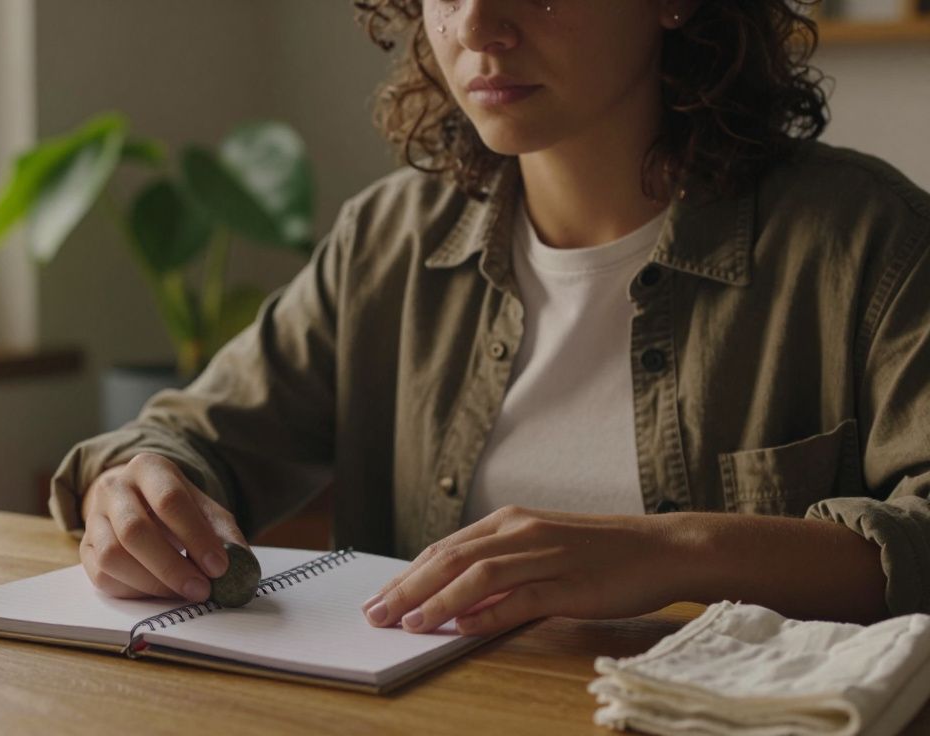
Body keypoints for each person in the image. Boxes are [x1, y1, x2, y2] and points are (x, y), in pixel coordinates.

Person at [50, 0, 930, 636]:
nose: (475, 25)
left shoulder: (868, 244)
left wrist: (678, 552)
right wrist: (138, 486)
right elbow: (193, 435)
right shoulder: (387, 240)